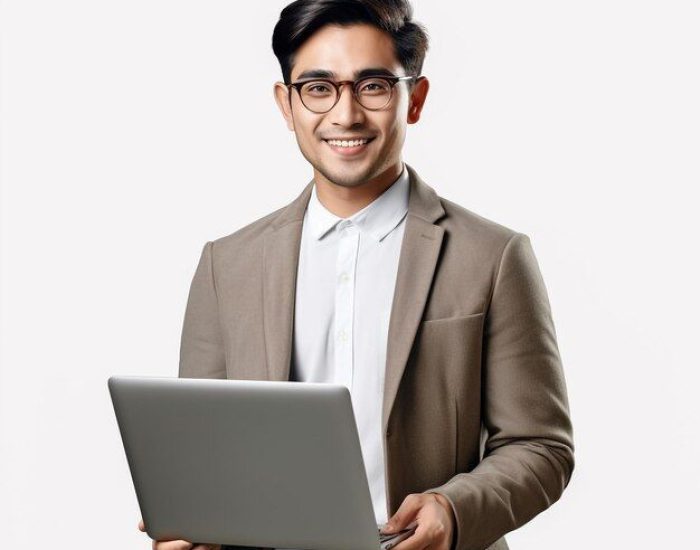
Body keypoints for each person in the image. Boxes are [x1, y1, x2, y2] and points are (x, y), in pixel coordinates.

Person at [138, 1, 575, 549]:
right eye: (318, 88)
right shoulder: (228, 265)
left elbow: (542, 446)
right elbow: (204, 452)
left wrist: (454, 509)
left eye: (372, 86)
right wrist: (192, 519)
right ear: (286, 103)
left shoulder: (493, 255)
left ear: (413, 99)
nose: (345, 115)